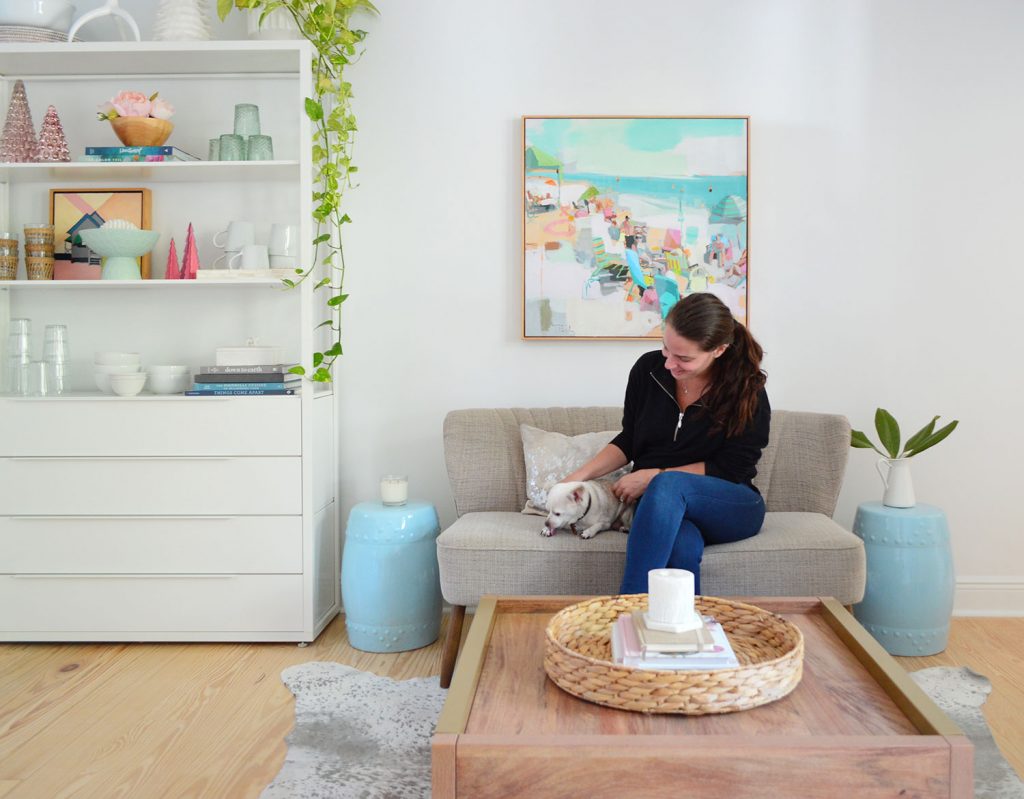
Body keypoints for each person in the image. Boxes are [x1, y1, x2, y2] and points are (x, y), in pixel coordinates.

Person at [562, 292, 769, 594]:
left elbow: (734, 466)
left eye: (684, 358)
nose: (670, 363)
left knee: (667, 484)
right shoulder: (648, 370)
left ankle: (627, 608)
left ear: (719, 350)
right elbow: (630, 439)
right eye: (666, 349)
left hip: (730, 503)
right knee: (680, 548)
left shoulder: (746, 389)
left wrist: (656, 476)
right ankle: (683, 636)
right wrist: (575, 478)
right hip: (663, 507)